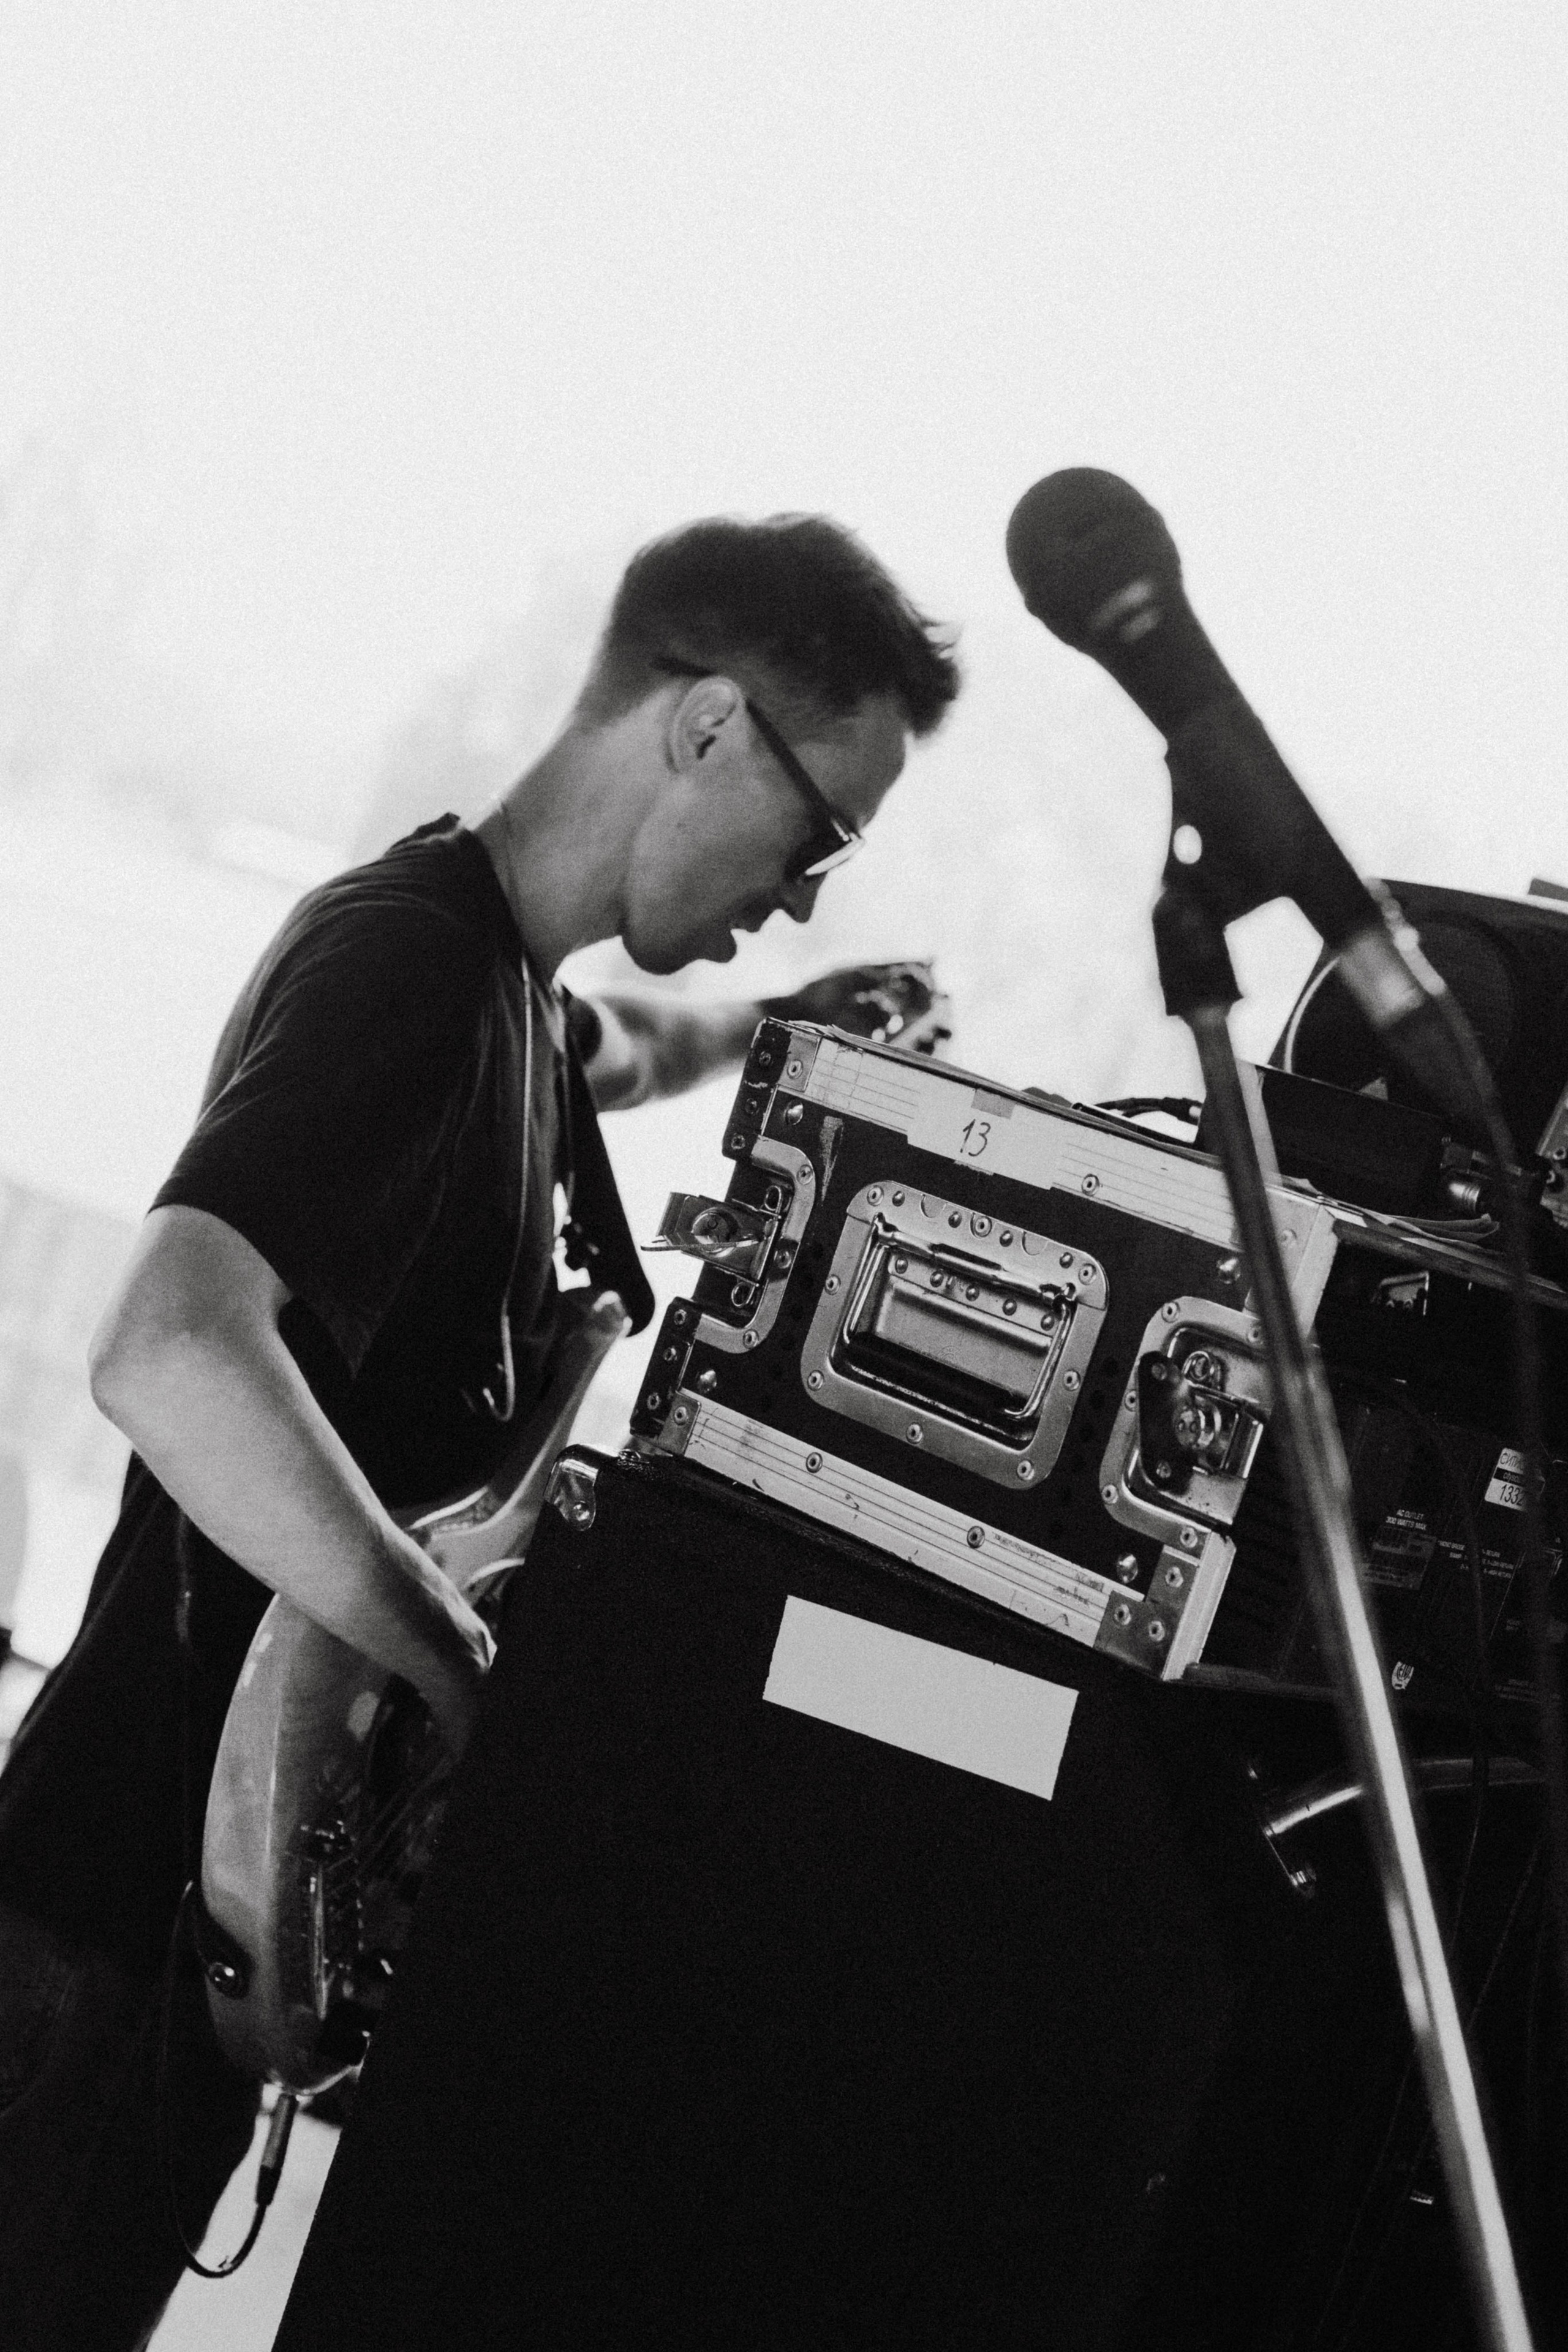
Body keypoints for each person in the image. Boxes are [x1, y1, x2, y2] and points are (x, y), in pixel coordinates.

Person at [0, 511, 960, 2349]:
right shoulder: (412, 974)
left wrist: (782, 1023)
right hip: (90, 1951)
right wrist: (467, 1678)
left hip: (166, 1947)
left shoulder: (500, 995)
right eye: (821, 836)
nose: (808, 893)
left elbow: (608, 1055)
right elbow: (166, 1350)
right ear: (699, 728)